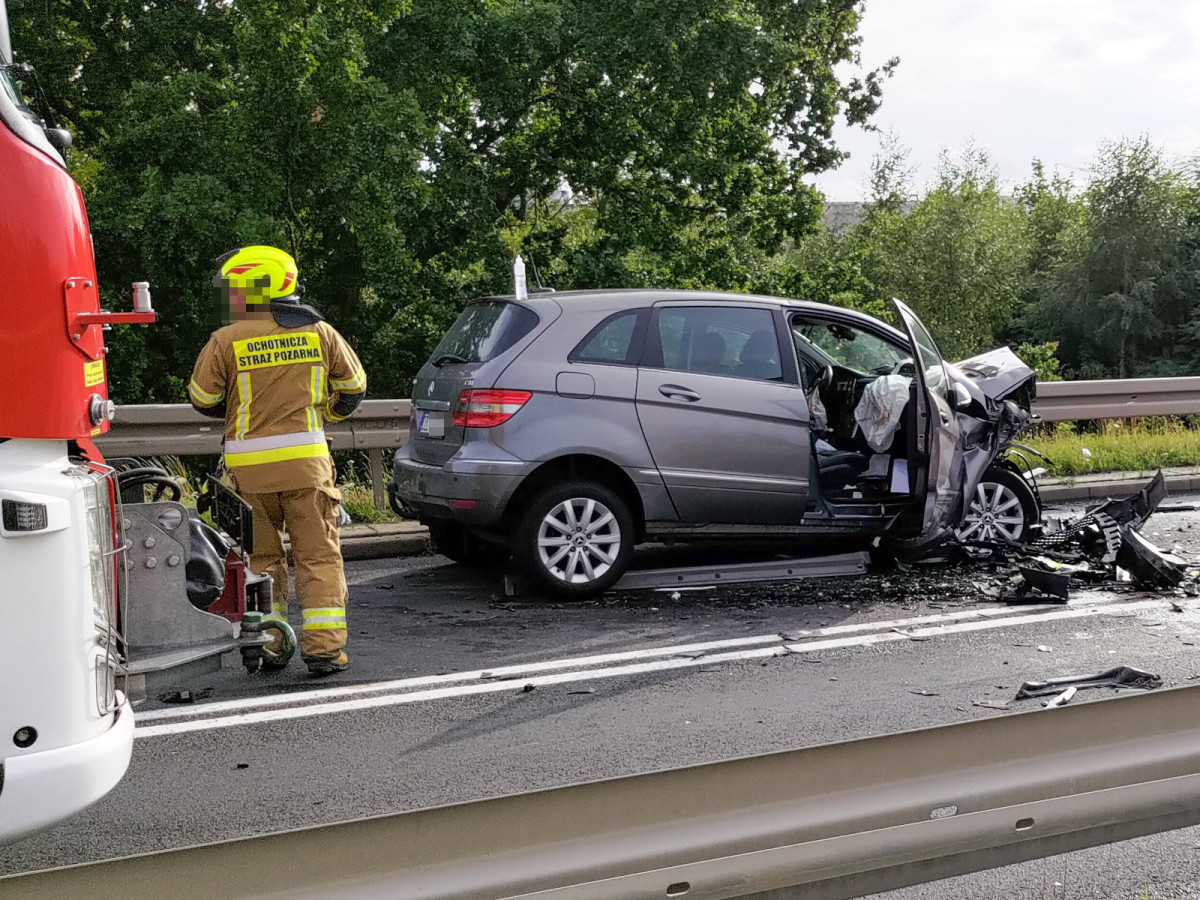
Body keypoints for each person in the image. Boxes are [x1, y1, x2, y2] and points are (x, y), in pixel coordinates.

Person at [188, 245, 366, 676]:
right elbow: (354, 386)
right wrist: (327, 414)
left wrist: (237, 410)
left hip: (249, 475)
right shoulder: (320, 332)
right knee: (318, 559)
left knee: (261, 562)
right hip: (308, 470)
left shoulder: (227, 338)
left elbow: (202, 399)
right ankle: (324, 651)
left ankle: (271, 647)